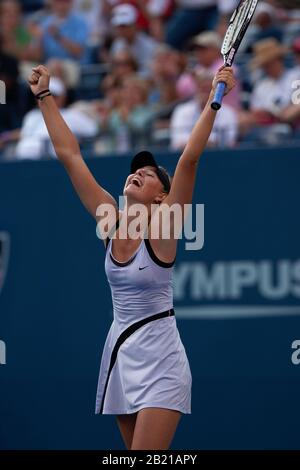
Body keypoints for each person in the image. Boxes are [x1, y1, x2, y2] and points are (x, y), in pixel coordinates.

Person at [27, 63, 235, 450]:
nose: (137, 173)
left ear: (161, 196)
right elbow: (70, 155)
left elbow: (189, 159)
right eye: (135, 170)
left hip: (162, 361)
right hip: (120, 353)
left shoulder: (165, 229)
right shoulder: (109, 220)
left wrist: (212, 100)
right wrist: (44, 97)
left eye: (149, 173)